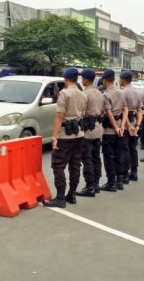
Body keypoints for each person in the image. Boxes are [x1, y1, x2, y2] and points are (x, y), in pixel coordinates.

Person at [43, 68, 87, 208]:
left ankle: (60, 197)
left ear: (65, 79)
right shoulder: (83, 95)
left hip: (64, 134)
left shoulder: (64, 94)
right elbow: (82, 114)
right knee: (75, 165)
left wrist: (54, 137)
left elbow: (59, 116)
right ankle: (72, 194)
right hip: (78, 133)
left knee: (58, 165)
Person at [76, 69, 104, 198]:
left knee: (87, 159)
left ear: (86, 79)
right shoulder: (100, 93)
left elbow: (80, 112)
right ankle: (96, 184)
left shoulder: (85, 94)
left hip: (87, 130)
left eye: (82, 78)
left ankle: (89, 186)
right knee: (96, 157)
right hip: (98, 128)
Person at [100, 69, 128, 192]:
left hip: (109, 131)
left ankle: (111, 182)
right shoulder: (121, 93)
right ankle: (120, 180)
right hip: (120, 129)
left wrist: (116, 127)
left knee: (109, 156)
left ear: (105, 80)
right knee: (119, 155)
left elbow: (109, 113)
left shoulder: (106, 95)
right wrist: (122, 126)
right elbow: (125, 109)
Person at [120, 71, 143, 183]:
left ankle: (124, 173)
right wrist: (137, 125)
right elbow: (139, 110)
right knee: (133, 148)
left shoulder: (123, 92)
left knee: (125, 148)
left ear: (123, 79)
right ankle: (134, 172)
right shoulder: (137, 92)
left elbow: (124, 111)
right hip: (134, 120)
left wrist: (128, 126)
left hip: (126, 122)